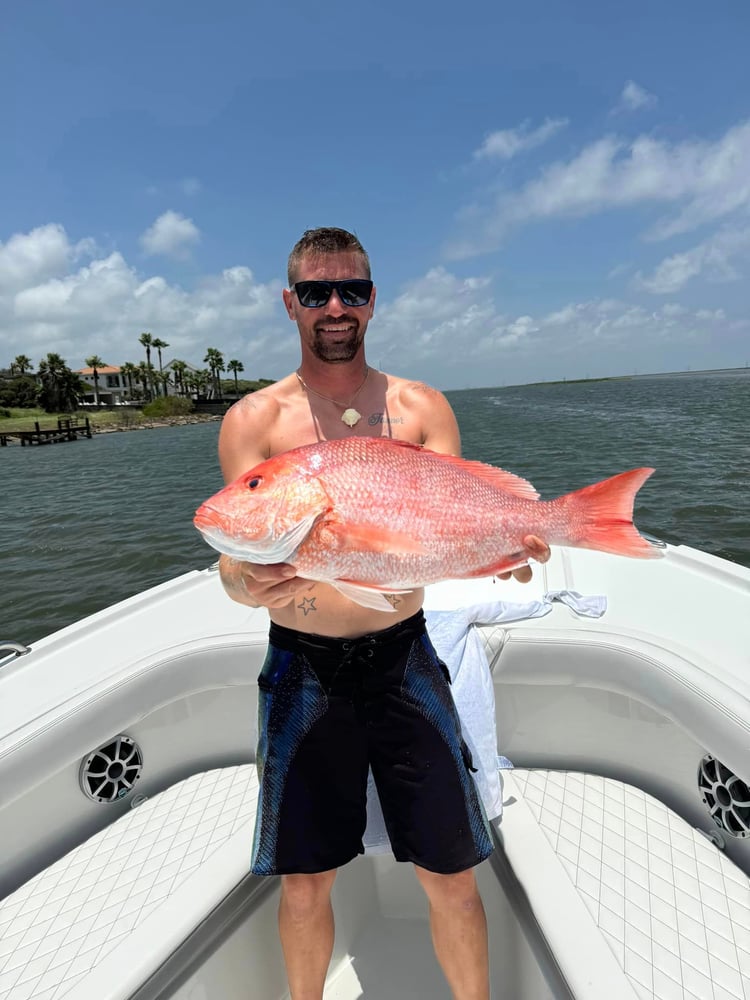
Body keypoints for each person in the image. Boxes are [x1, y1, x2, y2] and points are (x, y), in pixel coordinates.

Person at [217, 227, 550, 1000]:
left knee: (453, 874)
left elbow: (444, 533)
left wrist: (502, 544)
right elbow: (239, 558)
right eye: (316, 293)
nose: (335, 308)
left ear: (373, 300)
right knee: (303, 882)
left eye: (352, 291)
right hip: (303, 666)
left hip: (404, 655)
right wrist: (242, 581)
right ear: (290, 303)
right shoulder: (254, 425)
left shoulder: (421, 407)